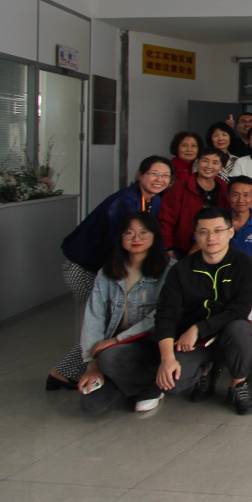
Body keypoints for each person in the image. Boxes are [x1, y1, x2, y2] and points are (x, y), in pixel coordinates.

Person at [93, 207, 252, 415]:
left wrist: (198, 328)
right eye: (204, 232)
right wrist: (167, 358)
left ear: (230, 232)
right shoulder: (182, 269)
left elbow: (240, 309)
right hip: (190, 344)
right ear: (195, 235)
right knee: (170, 383)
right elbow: (166, 314)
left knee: (241, 329)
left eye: (218, 231)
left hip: (226, 335)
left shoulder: (245, 264)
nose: (211, 238)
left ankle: (238, 386)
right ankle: (205, 371)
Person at [50, 155, 173, 390]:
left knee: (112, 322)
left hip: (106, 267)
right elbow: (121, 246)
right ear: (140, 175)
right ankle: (74, 372)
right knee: (107, 321)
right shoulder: (125, 202)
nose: (160, 179)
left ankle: (65, 374)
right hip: (85, 267)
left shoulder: (153, 200)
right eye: (154, 174)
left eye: (165, 175)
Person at [76, 212, 174, 414]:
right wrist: (93, 365)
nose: (136, 238)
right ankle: (139, 383)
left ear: (154, 235)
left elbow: (162, 315)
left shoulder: (170, 270)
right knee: (91, 405)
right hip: (115, 351)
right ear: (120, 237)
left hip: (151, 345)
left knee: (110, 357)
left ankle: (150, 389)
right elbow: (94, 317)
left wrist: (117, 340)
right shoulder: (107, 272)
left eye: (143, 232)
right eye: (129, 233)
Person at [159, 148, 230, 257]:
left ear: (221, 167)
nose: (209, 166)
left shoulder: (225, 190)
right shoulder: (179, 188)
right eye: (205, 161)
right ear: (197, 162)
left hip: (214, 249)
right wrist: (167, 247)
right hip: (180, 249)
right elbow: (165, 220)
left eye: (215, 163)